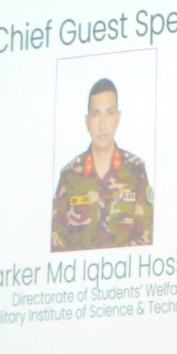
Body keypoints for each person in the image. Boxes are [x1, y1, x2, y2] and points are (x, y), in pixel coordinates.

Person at [51, 78, 155, 252]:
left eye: (109, 113)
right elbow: (57, 242)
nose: (102, 125)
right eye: (96, 114)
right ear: (87, 121)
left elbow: (147, 237)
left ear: (118, 118)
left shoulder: (136, 172)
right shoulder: (69, 177)